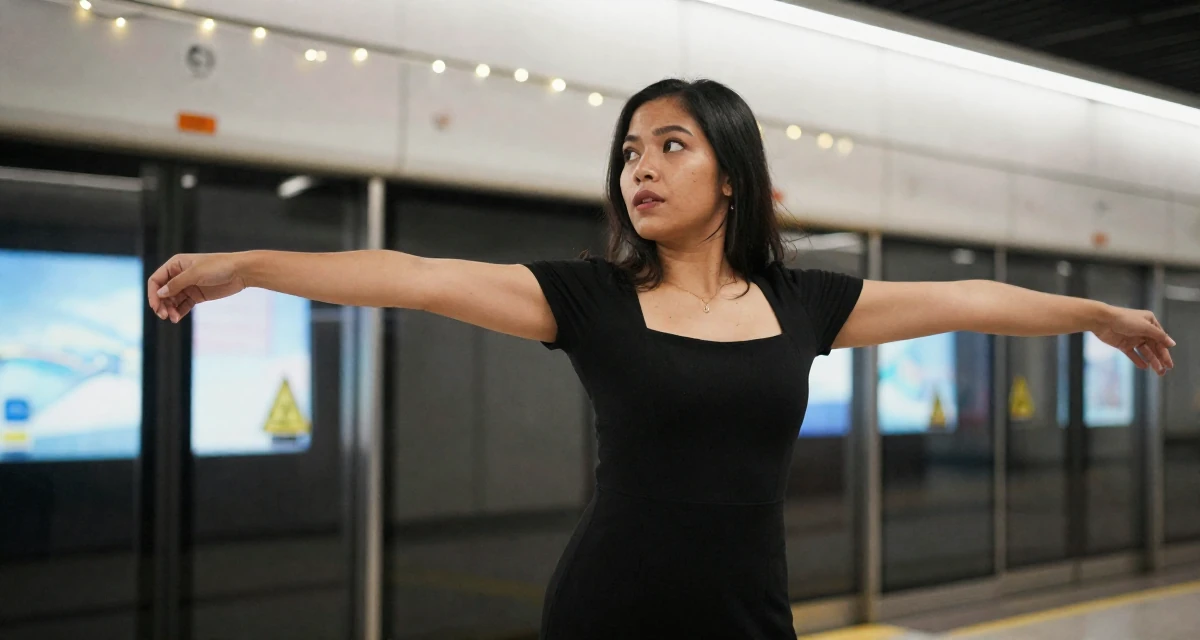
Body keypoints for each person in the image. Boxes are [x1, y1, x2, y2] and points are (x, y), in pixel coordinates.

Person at [147, 79, 1175, 638]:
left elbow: (970, 299)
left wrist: (1096, 312)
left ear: (731, 174)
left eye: (670, 145)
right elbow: (411, 275)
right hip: (611, 609)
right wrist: (250, 266)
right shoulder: (589, 300)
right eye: (630, 152)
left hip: (749, 613)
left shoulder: (803, 303)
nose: (641, 167)